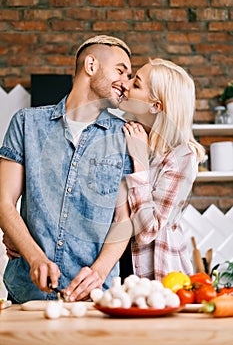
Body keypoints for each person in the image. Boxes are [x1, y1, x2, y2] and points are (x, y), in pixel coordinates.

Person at [0, 35, 133, 303]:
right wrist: (35, 258)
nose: (127, 84)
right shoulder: (27, 124)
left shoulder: (124, 135)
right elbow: (4, 202)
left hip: (96, 298)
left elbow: (123, 219)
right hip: (29, 293)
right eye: (121, 71)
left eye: (130, 77)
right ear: (91, 65)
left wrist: (98, 272)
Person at [120, 58, 205, 281]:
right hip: (116, 269)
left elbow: (149, 230)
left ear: (155, 106)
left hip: (157, 275)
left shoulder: (182, 156)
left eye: (136, 84)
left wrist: (138, 161)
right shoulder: (128, 134)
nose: (125, 84)